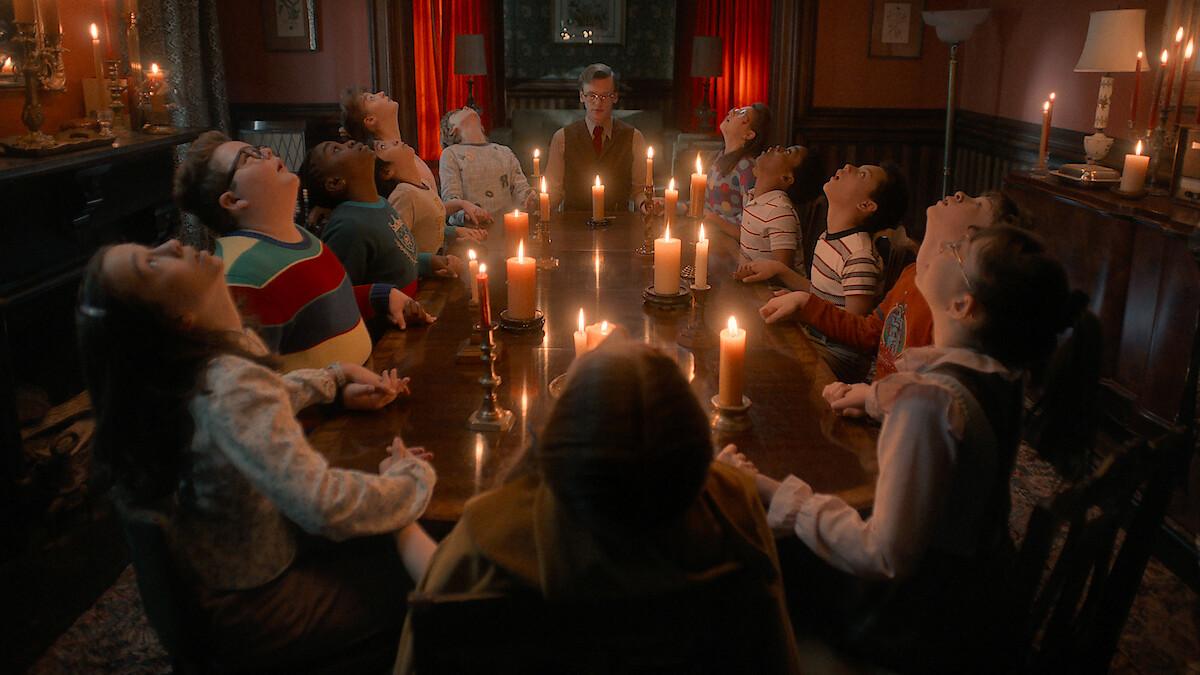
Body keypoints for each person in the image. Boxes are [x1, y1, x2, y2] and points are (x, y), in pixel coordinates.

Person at [719, 225, 1099, 673]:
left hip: (920, 628)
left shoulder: (928, 403)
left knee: (756, 565)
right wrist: (875, 397)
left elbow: (881, 554)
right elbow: (955, 412)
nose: (945, 248)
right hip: (978, 600)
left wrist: (767, 487)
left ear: (962, 306)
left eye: (957, 250)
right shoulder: (998, 377)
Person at [77, 239, 439, 672]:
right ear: (176, 320)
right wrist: (410, 477)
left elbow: (252, 406)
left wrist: (333, 381)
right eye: (151, 264)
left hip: (242, 576)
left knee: (392, 533)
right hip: (260, 607)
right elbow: (324, 504)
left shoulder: (211, 369)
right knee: (435, 572)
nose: (171, 243)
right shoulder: (230, 383)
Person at [394, 339, 801, 674]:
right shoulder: (733, 508)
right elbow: (775, 651)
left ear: (558, 442)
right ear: (696, 456)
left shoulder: (488, 536)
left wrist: (399, 509)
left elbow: (431, 616)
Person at [172, 131, 425, 373]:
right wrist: (340, 388)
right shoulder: (240, 276)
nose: (267, 151)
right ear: (233, 200)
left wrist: (377, 295)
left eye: (259, 148)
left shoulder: (300, 237)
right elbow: (255, 383)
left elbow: (317, 305)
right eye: (249, 157)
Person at [756, 191, 1022, 381]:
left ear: (974, 240)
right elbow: (870, 332)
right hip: (880, 404)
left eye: (978, 204)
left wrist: (872, 400)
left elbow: (934, 392)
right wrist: (805, 303)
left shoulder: (950, 301)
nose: (961, 194)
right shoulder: (912, 273)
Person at [740, 162, 908, 382]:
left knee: (760, 362)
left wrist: (805, 308)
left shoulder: (859, 256)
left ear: (866, 205)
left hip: (839, 355)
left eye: (861, 174)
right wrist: (779, 270)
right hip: (816, 336)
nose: (848, 166)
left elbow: (854, 328)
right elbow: (822, 293)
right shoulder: (829, 237)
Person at [300, 140, 454, 311]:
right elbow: (338, 299)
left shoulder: (381, 203)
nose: (349, 143)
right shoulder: (349, 226)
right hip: (390, 325)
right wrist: (388, 303)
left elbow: (393, 258)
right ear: (335, 182)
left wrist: (427, 262)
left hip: (415, 307)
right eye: (336, 150)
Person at [543, 63, 649, 213]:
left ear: (615, 97)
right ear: (582, 96)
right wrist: (539, 203)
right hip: (574, 221)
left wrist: (647, 205)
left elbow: (639, 191)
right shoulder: (562, 138)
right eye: (592, 95)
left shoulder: (634, 138)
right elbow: (554, 192)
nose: (598, 103)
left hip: (618, 220)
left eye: (605, 96)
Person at [373, 137, 488, 256]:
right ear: (387, 172)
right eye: (382, 147)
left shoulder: (423, 184)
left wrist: (460, 212)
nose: (396, 141)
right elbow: (397, 247)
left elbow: (430, 212)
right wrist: (430, 262)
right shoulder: (404, 195)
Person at [438, 106, 539, 222]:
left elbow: (520, 188)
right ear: (452, 130)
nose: (466, 107)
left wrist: (529, 198)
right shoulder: (451, 154)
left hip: (507, 226)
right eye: (459, 111)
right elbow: (451, 198)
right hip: (473, 228)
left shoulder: (504, 151)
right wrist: (465, 215)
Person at [701, 104, 772, 239]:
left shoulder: (747, 168)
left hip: (728, 241)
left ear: (749, 134)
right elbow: (702, 205)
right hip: (707, 234)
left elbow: (750, 220)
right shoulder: (716, 158)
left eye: (742, 113)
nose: (732, 111)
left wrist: (714, 220)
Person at [735, 145, 809, 274]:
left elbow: (783, 272)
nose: (778, 147)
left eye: (788, 152)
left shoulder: (779, 211)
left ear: (786, 178)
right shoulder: (752, 197)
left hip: (770, 286)